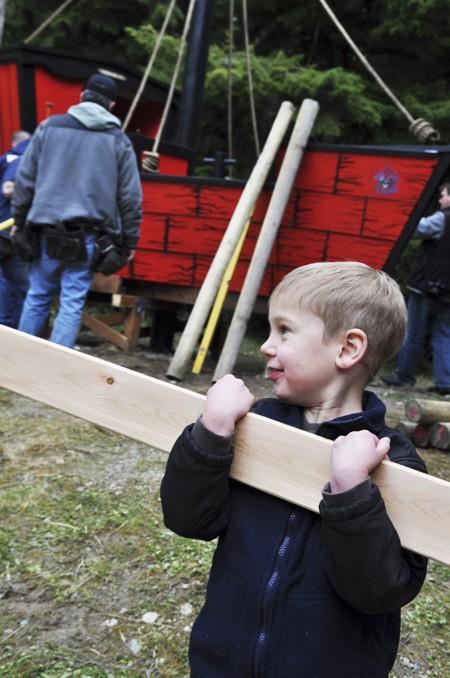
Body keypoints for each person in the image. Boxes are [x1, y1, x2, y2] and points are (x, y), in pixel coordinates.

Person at [160, 261, 427, 678]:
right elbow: (188, 518)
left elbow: (380, 592)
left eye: (284, 331)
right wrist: (210, 432)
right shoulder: (251, 425)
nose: (266, 346)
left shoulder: (395, 462)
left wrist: (352, 492)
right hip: (222, 662)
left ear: (347, 349)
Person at [11, 73, 142, 348]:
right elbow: (130, 198)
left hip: (45, 231)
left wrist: (20, 222)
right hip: (89, 236)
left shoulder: (49, 128)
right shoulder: (118, 141)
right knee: (71, 302)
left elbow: (25, 180)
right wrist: (129, 242)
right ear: (112, 106)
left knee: (37, 295)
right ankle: (57, 375)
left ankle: (14, 365)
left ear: (81, 98)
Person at [381, 182, 450, 394]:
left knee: (413, 333)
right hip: (447, 293)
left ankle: (404, 377)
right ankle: (446, 384)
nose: (439, 200)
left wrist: (403, 210)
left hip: (426, 288)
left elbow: (414, 228)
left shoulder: (442, 219)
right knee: (444, 335)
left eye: (443, 195)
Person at [0, 130, 31, 328]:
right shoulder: (20, 159)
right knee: (18, 286)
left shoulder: (7, 158)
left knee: (15, 285)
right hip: (8, 230)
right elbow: (8, 189)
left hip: (11, 231)